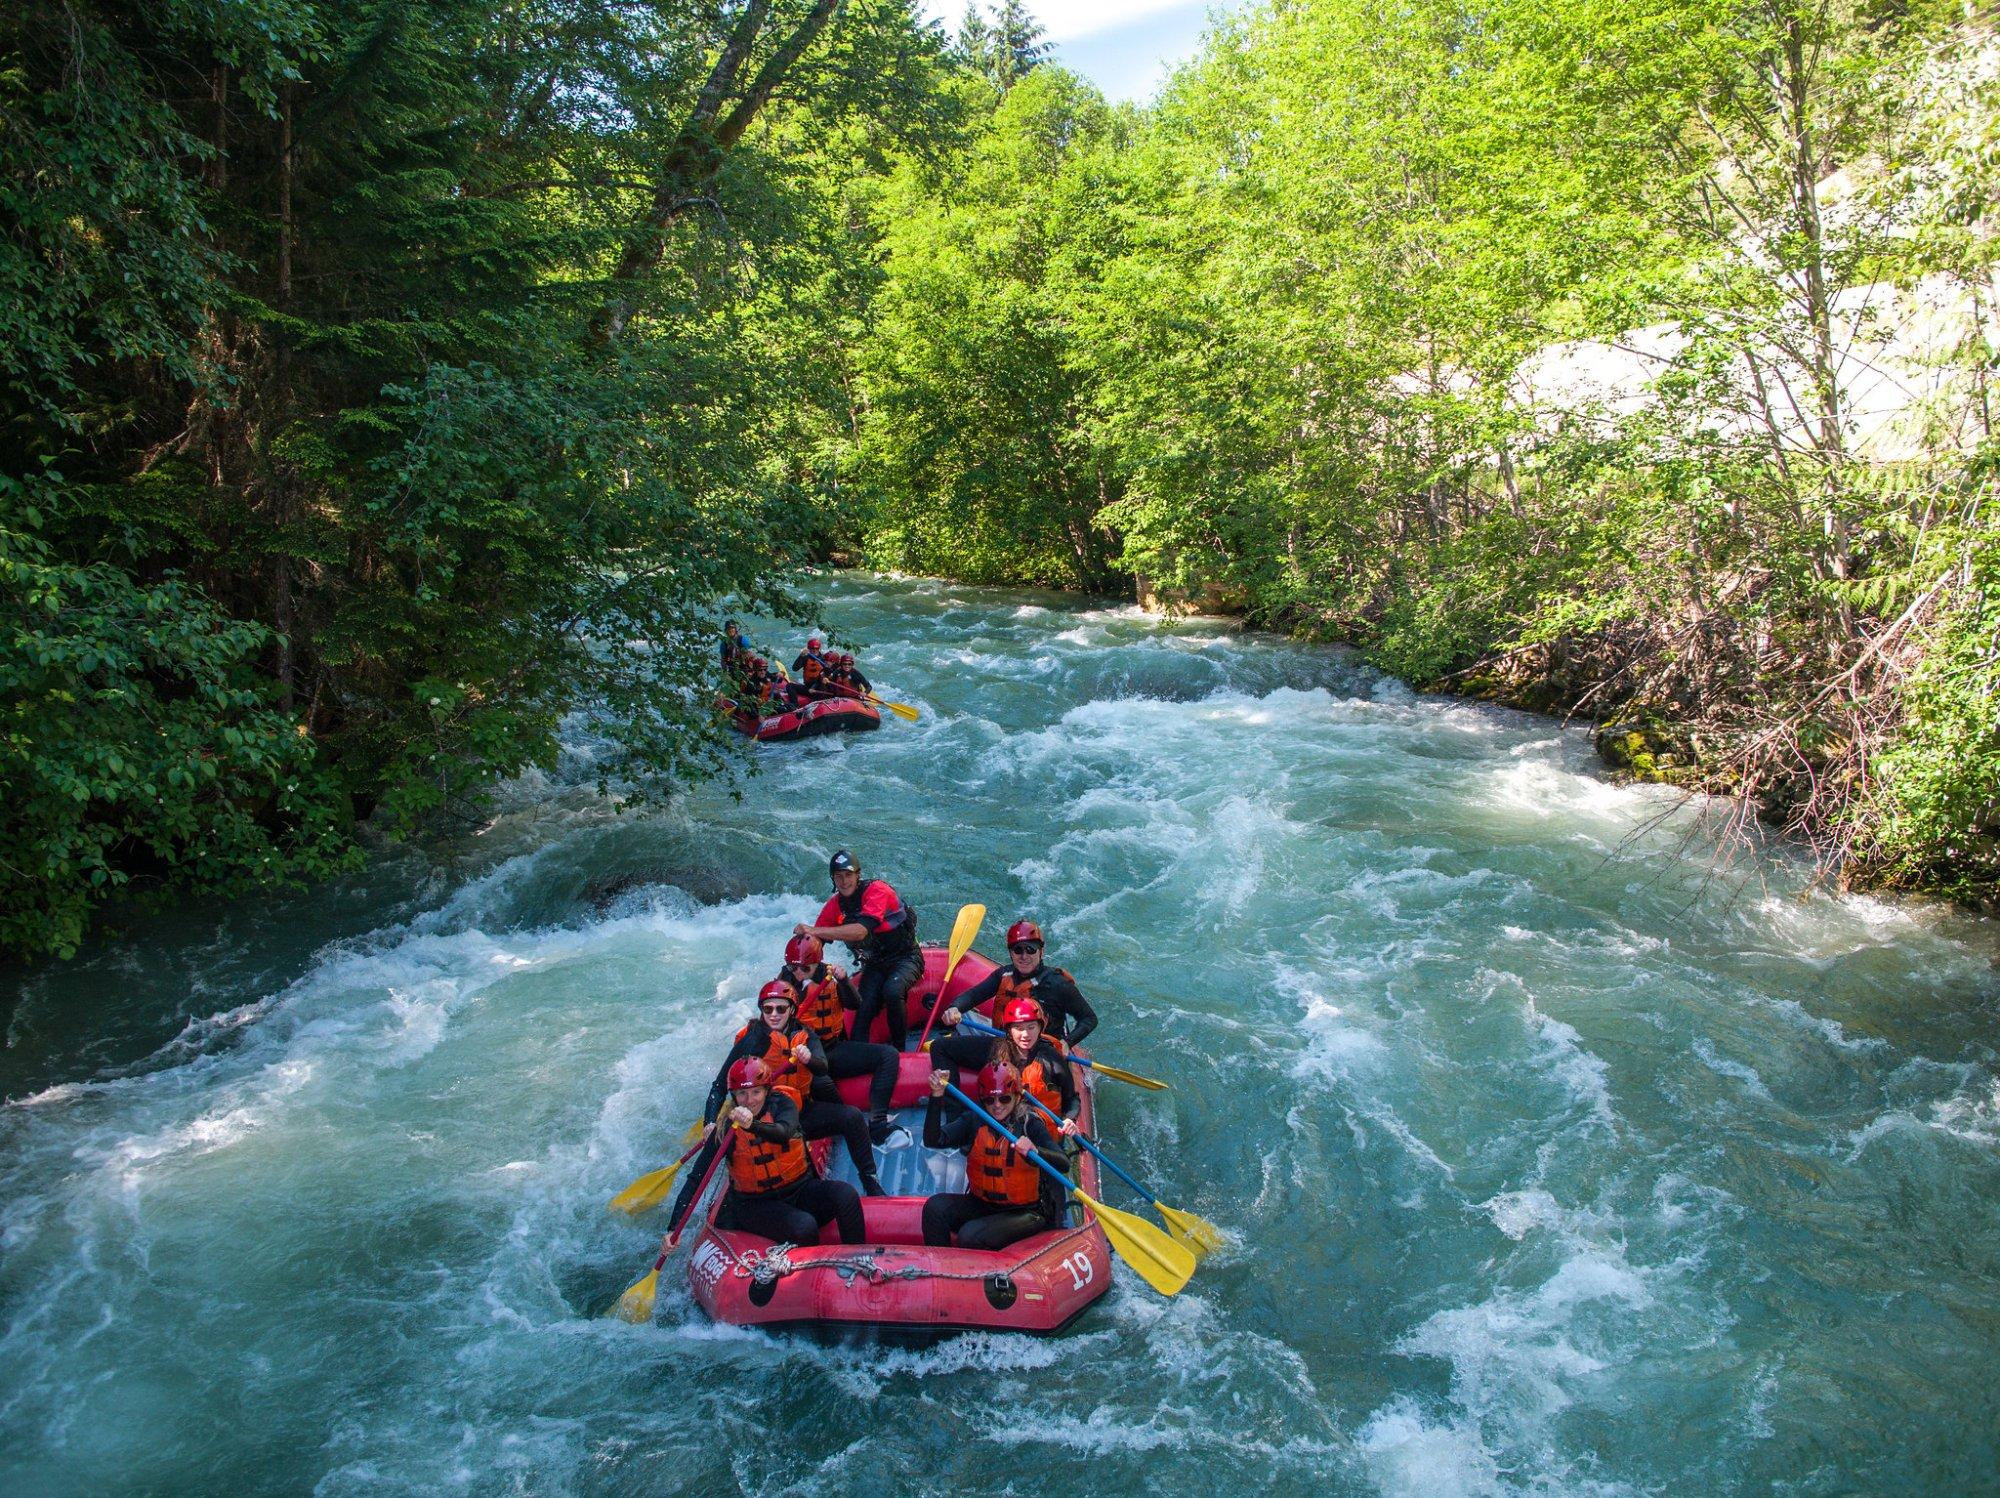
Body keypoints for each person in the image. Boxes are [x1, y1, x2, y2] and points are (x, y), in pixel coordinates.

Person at [702, 979, 887, 1196]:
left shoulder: (805, 1034)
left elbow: (822, 1068)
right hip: (761, 1122)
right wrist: (711, 1122)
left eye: (781, 1008)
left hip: (798, 1112)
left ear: (792, 1010)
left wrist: (809, 1059)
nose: (774, 1014)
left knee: (852, 1117)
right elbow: (719, 1086)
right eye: (767, 1009)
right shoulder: (751, 1042)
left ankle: (870, 1181)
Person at [707, 1057, 867, 1246]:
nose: (749, 1101)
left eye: (756, 1092)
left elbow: (783, 1133)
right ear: (734, 1095)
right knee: (804, 1226)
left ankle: (858, 1259)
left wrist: (752, 1125)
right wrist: (672, 1229)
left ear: (766, 1090)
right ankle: (813, 1272)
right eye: (742, 1093)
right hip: (756, 1205)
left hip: (797, 1189)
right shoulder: (726, 1128)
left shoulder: (782, 1104)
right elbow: (697, 1176)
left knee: (846, 1195)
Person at [920, 1063, 1065, 1250]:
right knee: (934, 1209)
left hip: (1025, 1212)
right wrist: (936, 1096)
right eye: (990, 1100)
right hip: (982, 1204)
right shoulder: (974, 1120)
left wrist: (1036, 1152)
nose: (997, 1106)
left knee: (969, 1236)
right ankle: (939, 1271)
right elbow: (934, 1140)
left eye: (1004, 1099)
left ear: (1016, 1097)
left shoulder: (1030, 1124)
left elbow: (1064, 1163)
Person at [780, 934, 904, 1148]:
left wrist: (845, 981)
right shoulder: (781, 987)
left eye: (804, 968)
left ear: (816, 963)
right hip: (805, 1060)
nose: (799, 974)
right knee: (822, 1082)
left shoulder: (830, 977)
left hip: (832, 1049)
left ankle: (878, 1122)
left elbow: (855, 1004)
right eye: (793, 968)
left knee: (889, 1055)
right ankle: (846, 1126)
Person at [794, 849, 923, 1052]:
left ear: (858, 875)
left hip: (905, 958)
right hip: (874, 965)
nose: (844, 882)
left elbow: (861, 932)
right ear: (833, 879)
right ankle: (858, 1055)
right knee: (862, 1007)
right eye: (839, 877)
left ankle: (900, 1050)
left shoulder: (877, 890)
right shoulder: (834, 905)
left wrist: (813, 929)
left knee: (892, 990)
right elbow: (815, 941)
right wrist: (797, 972)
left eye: (848, 875)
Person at [931, 994, 1081, 1140]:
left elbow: (1072, 1099)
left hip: (1035, 1128)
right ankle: (954, 1121)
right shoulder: (996, 1048)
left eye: (1031, 1027)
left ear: (1040, 1027)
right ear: (1009, 1030)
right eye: (1018, 1028)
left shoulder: (1051, 1059)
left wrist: (1070, 1120)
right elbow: (940, 1048)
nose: (1025, 1035)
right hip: (1002, 1114)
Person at [931, 919, 1097, 1049]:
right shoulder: (1004, 975)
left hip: (1041, 1052)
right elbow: (974, 995)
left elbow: (1089, 1019)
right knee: (940, 1047)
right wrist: (955, 1008)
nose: (1024, 956)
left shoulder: (1057, 983)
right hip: (1005, 1046)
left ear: (1041, 952)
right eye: (1018, 950)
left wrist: (1067, 1043)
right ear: (1011, 953)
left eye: (1030, 949)